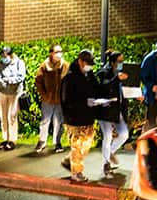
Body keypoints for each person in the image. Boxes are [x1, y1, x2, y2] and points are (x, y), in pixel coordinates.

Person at [61, 49, 102, 183]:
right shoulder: (70, 78)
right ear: (80, 61)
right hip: (74, 118)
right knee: (78, 146)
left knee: (86, 144)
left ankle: (70, 160)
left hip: (88, 116)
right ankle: (76, 173)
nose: (89, 66)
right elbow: (67, 100)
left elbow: (96, 89)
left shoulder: (90, 76)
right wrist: (85, 103)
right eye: (87, 63)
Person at [96, 51, 134, 179]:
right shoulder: (103, 72)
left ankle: (110, 152)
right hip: (106, 110)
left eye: (123, 61)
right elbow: (104, 87)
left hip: (118, 109)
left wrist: (135, 95)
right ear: (112, 62)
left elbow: (126, 90)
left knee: (124, 134)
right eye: (119, 61)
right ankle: (106, 163)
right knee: (107, 136)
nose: (121, 64)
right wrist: (117, 79)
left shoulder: (123, 73)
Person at [34, 44, 68, 154]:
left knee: (59, 121)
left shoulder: (65, 65)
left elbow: (69, 81)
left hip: (60, 99)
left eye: (60, 51)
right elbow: (38, 81)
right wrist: (44, 94)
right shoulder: (45, 66)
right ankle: (42, 141)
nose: (59, 54)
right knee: (45, 121)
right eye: (57, 52)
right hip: (48, 99)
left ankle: (57, 142)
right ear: (51, 53)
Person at [0, 46, 26, 151]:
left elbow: (20, 77)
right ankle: (5, 138)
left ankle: (12, 139)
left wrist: (8, 80)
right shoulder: (0, 63)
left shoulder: (19, 63)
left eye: (5, 55)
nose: (3, 57)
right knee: (3, 116)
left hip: (14, 93)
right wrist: (1, 83)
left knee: (11, 116)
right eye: (2, 55)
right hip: (2, 92)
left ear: (10, 55)